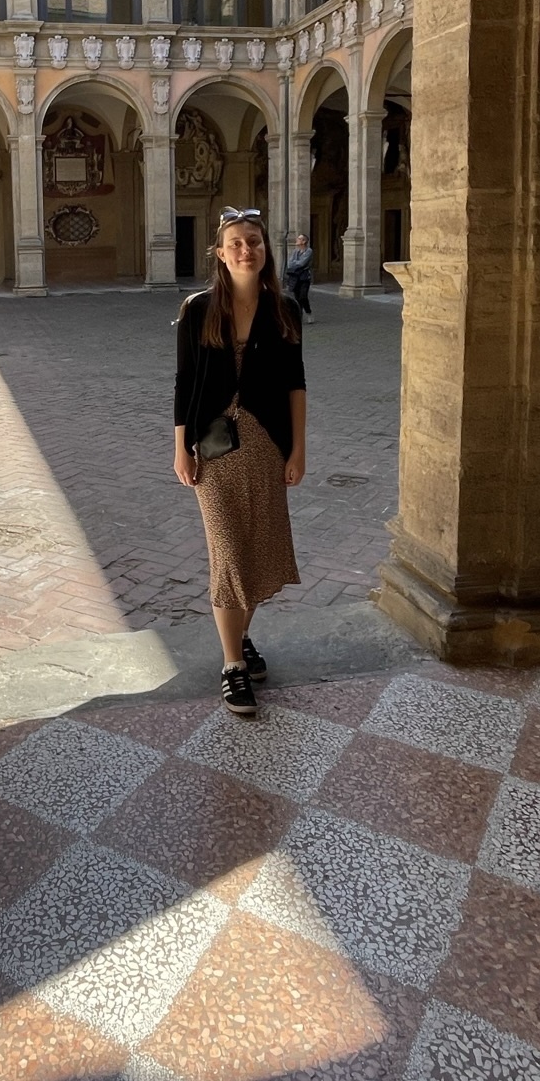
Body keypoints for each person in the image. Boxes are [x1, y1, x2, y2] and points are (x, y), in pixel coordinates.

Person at [174, 207, 306, 718]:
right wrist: (179, 445)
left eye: (253, 241)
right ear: (220, 252)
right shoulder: (197, 309)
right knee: (229, 551)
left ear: (264, 249)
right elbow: (185, 382)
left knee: (260, 546)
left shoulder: (284, 309)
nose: (245, 250)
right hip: (213, 446)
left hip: (267, 442)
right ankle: (233, 665)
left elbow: (296, 384)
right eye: (235, 243)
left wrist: (299, 449)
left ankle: (241, 635)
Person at [285, 233, 314, 317]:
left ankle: (308, 312)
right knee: (297, 297)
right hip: (295, 277)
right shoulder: (295, 251)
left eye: (299, 239)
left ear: (304, 241)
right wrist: (296, 263)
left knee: (303, 296)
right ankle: (299, 315)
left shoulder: (309, 251)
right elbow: (289, 263)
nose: (296, 240)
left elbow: (302, 263)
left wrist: (295, 263)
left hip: (304, 277)